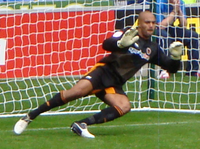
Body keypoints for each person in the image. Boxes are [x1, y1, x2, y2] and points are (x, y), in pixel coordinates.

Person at [14, 11, 183, 138]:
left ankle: (81, 124)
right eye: (147, 22)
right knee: (75, 93)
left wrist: (176, 58)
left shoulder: (152, 48)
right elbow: (106, 44)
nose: (151, 25)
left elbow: (171, 67)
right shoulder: (126, 33)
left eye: (153, 22)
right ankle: (30, 116)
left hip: (114, 83)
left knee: (124, 106)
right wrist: (120, 43)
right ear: (139, 23)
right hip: (102, 72)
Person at [156, 0, 200, 77]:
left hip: (171, 28)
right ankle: (164, 70)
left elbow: (183, 25)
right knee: (165, 36)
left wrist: (179, 10)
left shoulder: (180, 3)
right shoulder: (159, 2)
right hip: (157, 30)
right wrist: (174, 11)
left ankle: (193, 70)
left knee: (193, 36)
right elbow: (160, 26)